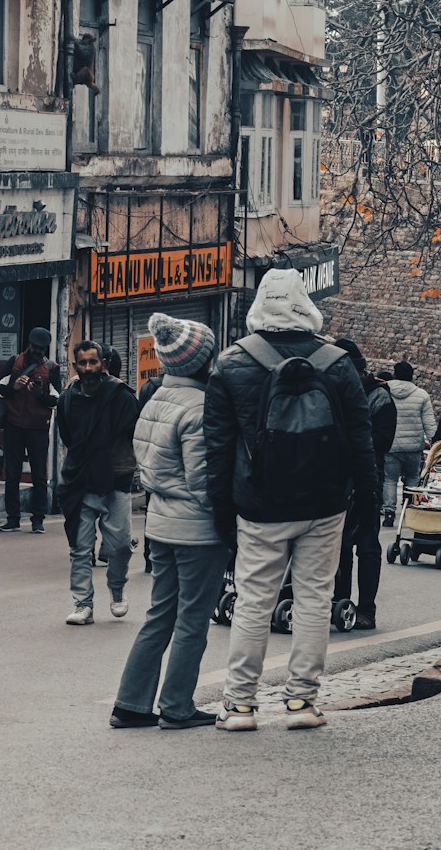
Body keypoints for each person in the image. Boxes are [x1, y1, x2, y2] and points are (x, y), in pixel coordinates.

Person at [205, 270, 377, 731]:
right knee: (315, 600)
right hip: (325, 504)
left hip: (260, 506)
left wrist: (223, 515)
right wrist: (367, 506)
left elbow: (217, 451)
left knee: (254, 600)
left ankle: (239, 705)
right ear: (305, 304)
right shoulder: (338, 364)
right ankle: (302, 702)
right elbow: (361, 444)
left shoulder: (231, 364)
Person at [111, 314, 224, 729]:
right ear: (203, 359)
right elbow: (203, 481)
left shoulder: (153, 400)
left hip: (159, 522)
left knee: (160, 615)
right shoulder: (199, 407)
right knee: (192, 620)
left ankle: (130, 703)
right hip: (195, 529)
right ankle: (177, 705)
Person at [55, 341, 139, 625]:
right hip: (80, 479)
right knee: (80, 548)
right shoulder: (67, 399)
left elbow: (133, 435)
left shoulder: (122, 397)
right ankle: (83, 604)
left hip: (115, 478)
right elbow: (69, 436)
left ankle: (117, 588)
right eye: (83, 363)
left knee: (119, 545)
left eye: (94, 362)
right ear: (75, 366)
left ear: (103, 364)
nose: (89, 368)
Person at [333, 338, 396, 630]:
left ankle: (367, 610)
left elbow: (381, 442)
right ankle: (340, 603)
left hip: (370, 477)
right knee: (340, 546)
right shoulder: (338, 392)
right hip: (339, 479)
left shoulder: (380, 398)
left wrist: (349, 441)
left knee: (368, 545)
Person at [0, 328, 59, 533]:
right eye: (35, 347)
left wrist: (39, 395)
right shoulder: (14, 362)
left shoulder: (51, 368)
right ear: (28, 344)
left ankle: (38, 520)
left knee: (39, 475)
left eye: (41, 349)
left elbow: (57, 400)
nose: (37, 351)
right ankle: (13, 519)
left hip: (38, 428)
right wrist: (14, 388)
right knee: (12, 474)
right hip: (14, 425)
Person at [382, 359, 438, 520]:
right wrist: (434, 442)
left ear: (395, 373)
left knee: (390, 479)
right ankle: (409, 509)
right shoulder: (422, 395)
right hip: (414, 446)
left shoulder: (385, 391)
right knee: (413, 478)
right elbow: (429, 422)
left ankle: (389, 512)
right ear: (412, 376)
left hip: (391, 445)